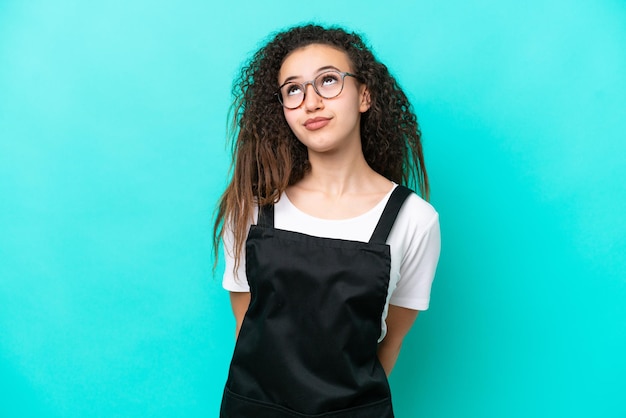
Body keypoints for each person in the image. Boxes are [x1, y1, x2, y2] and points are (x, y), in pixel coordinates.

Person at [213, 23, 441, 417]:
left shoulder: (414, 220)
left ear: (364, 95)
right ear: (281, 110)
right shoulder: (253, 208)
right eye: (294, 90)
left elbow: (390, 343)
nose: (311, 102)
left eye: (329, 81)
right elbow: (246, 331)